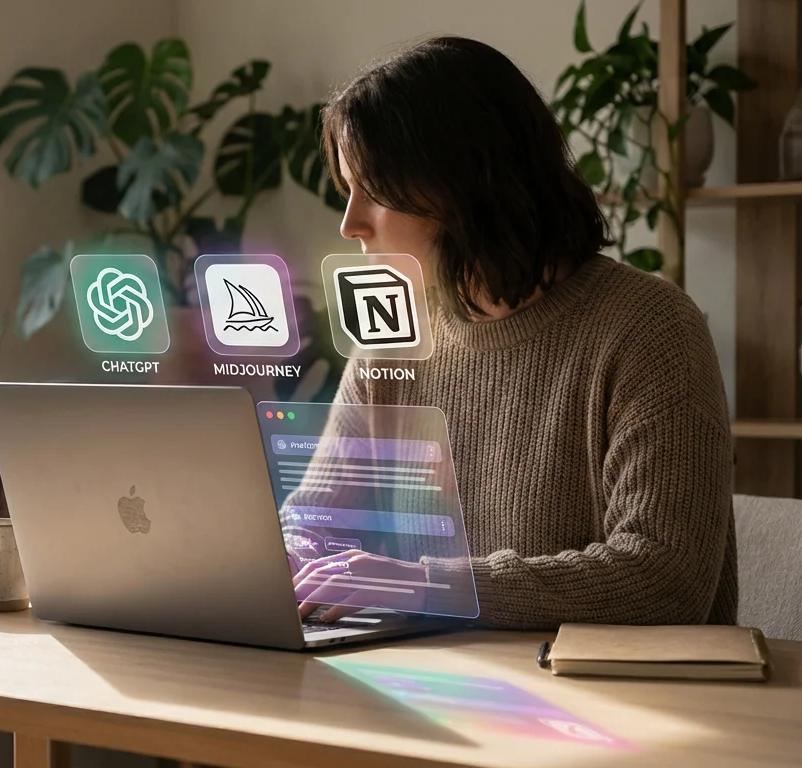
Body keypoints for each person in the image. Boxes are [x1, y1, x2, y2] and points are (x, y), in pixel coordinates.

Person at [291, 36, 735, 630]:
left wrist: (427, 586)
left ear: (462, 184)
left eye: (372, 192)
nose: (350, 224)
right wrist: (290, 554)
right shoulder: (392, 338)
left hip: (604, 684)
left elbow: (664, 581)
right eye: (349, 193)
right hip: (431, 675)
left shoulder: (649, 329)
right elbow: (315, 519)